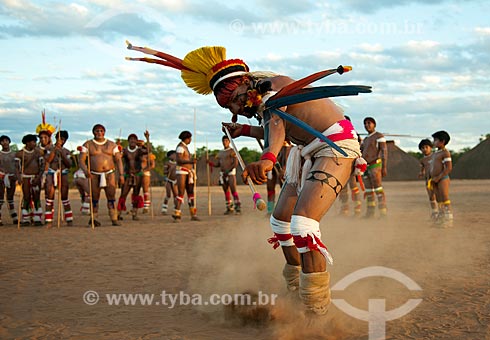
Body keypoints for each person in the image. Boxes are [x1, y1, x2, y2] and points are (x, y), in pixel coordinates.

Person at [126, 43, 370, 315]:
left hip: (334, 145)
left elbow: (277, 124)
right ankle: (295, 291)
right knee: (280, 222)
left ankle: (315, 309)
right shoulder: (264, 102)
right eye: (227, 107)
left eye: (232, 100)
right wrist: (244, 129)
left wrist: (267, 158)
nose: (234, 108)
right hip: (305, 152)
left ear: (242, 83)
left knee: (303, 225)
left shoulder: (273, 87)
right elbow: (274, 127)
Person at [78, 124, 124, 226]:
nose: (99, 133)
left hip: (109, 173)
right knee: (94, 196)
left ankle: (114, 217)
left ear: (104, 132)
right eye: (97, 131)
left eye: (101, 131)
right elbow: (81, 160)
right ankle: (94, 218)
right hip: (94, 174)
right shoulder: (87, 144)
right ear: (93, 132)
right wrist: (86, 170)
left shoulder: (112, 145)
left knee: (111, 195)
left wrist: (121, 174)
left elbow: (118, 160)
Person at [43, 130, 73, 226]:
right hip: (52, 173)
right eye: (60, 138)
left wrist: (62, 154)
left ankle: (69, 219)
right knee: (50, 195)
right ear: (56, 138)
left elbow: (69, 165)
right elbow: (48, 160)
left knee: (64, 196)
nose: (61, 141)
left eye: (63, 139)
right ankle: (48, 220)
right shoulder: (48, 148)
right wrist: (55, 150)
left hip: (63, 173)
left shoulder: (67, 151)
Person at [360, 117, 388, 218]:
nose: (367, 125)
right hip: (366, 167)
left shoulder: (379, 136)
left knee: (378, 188)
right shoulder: (366, 139)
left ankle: (383, 213)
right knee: (368, 190)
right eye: (365, 124)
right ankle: (370, 213)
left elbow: (384, 152)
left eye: (369, 123)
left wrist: (384, 167)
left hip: (375, 165)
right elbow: (361, 151)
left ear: (374, 124)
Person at [15, 134, 45, 226]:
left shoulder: (38, 153)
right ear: (27, 143)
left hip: (36, 177)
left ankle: (37, 218)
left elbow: (42, 166)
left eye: (35, 141)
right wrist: (19, 177)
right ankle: (26, 218)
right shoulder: (20, 153)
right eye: (33, 142)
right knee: (27, 197)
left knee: (36, 197)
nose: (35, 143)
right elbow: (16, 167)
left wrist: (39, 177)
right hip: (25, 177)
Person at [172, 131, 199, 222]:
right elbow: (179, 160)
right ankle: (177, 213)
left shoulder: (185, 147)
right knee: (181, 192)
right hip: (182, 172)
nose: (191, 140)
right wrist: (191, 162)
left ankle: (193, 214)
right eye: (190, 138)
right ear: (186, 138)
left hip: (188, 172)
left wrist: (191, 162)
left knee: (191, 193)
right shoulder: (180, 147)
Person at [117, 133, 144, 220]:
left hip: (138, 175)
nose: (132, 141)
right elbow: (118, 158)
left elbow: (148, 150)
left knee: (136, 194)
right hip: (127, 175)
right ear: (128, 141)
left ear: (136, 141)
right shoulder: (124, 150)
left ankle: (134, 213)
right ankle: (118, 213)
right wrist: (118, 149)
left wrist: (147, 138)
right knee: (123, 194)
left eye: (134, 139)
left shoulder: (140, 150)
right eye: (131, 139)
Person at [429, 131, 453, 227]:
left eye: (435, 140)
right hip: (435, 180)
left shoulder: (445, 153)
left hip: (443, 179)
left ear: (442, 141)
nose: (433, 142)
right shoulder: (435, 153)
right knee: (439, 199)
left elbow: (448, 168)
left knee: (444, 198)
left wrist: (439, 177)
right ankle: (441, 218)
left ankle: (448, 220)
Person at [212, 135, 241, 215]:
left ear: (229, 142)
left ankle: (237, 207)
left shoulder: (232, 151)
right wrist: (210, 163)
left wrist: (228, 171)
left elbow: (235, 163)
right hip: (223, 174)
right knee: (226, 191)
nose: (225, 143)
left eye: (226, 141)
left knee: (233, 189)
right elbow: (218, 164)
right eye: (223, 141)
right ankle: (229, 207)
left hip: (231, 173)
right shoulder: (220, 153)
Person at [266, 141, 291, 215]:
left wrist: (285, 168)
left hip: (284, 169)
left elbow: (287, 159)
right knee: (270, 187)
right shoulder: (272, 146)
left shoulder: (288, 148)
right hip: (272, 168)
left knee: (284, 188)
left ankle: (285, 208)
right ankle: (270, 209)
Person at [418, 139, 438, 220]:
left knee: (439, 196)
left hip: (436, 178)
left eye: (426, 147)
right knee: (431, 197)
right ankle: (434, 212)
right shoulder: (422, 160)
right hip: (428, 180)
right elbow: (423, 167)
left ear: (431, 148)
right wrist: (421, 172)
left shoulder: (435, 156)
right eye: (422, 148)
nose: (425, 149)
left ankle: (442, 212)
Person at [0, 135, 18, 225]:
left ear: (9, 142)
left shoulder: (14, 154)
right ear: (0, 143)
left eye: (6, 140)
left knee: (10, 197)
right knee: (0, 198)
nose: (5, 142)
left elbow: (18, 166)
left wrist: (17, 176)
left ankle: (14, 216)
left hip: (12, 177)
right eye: (3, 141)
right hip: (1, 177)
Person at [139, 131, 155, 214]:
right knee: (136, 190)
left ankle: (146, 206)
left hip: (145, 173)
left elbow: (152, 165)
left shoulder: (149, 154)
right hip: (136, 173)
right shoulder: (137, 153)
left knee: (145, 189)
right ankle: (135, 206)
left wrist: (145, 170)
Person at [161, 150, 178, 215]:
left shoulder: (178, 163)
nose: (174, 156)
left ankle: (176, 209)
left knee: (176, 196)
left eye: (175, 154)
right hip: (168, 180)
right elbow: (164, 172)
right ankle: (164, 209)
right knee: (168, 195)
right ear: (169, 156)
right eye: (173, 155)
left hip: (176, 181)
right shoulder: (167, 163)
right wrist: (168, 170)